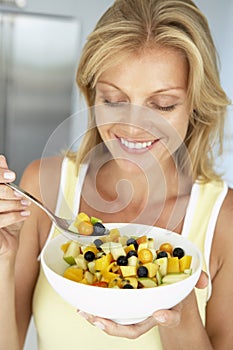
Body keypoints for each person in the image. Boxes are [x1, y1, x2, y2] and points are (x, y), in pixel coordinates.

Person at [0, 0, 232, 349]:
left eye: (162, 105)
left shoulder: (225, 220)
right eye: (114, 100)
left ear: (195, 104)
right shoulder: (42, 186)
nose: (134, 127)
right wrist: (4, 257)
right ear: (92, 93)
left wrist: (176, 309)